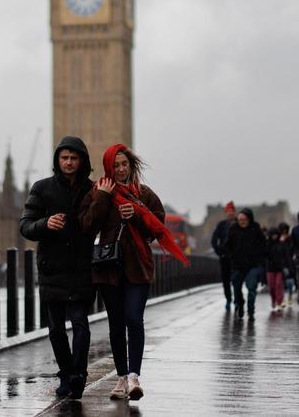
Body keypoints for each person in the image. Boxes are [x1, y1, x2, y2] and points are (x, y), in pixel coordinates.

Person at [80, 144, 188, 402]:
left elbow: (158, 227)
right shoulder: (98, 190)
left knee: (133, 318)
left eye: (124, 164)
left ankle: (133, 376)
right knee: (116, 324)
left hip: (138, 266)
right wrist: (104, 198)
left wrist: (137, 215)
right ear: (109, 167)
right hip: (108, 268)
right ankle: (120, 376)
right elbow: (86, 225)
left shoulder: (144, 193)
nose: (120, 169)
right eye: (115, 165)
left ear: (131, 165)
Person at [19, 136, 95, 400]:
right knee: (56, 330)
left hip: (82, 268)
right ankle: (66, 373)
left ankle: (79, 374)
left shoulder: (92, 190)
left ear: (82, 160)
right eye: (64, 158)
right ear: (57, 160)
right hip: (52, 269)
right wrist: (45, 224)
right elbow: (25, 226)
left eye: (74, 158)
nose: (69, 162)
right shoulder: (42, 188)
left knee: (81, 324)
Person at [225, 209, 268, 318]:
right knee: (236, 288)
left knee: (251, 287)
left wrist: (260, 256)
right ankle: (240, 303)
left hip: (252, 264)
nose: (242, 222)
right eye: (239, 220)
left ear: (249, 219)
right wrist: (231, 255)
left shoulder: (255, 228)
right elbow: (227, 245)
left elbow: (263, 243)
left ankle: (250, 311)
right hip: (237, 265)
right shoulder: (233, 229)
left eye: (244, 220)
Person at [210, 201, 237, 310]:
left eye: (232, 211)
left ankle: (237, 300)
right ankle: (229, 299)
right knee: (226, 280)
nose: (230, 213)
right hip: (224, 257)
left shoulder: (239, 223)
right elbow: (214, 240)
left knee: (236, 280)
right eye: (228, 212)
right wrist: (219, 251)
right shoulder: (221, 225)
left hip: (236, 257)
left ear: (234, 212)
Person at [265, 227, 293, 311]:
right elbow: (264, 255)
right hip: (270, 269)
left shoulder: (282, 244)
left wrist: (289, 266)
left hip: (279, 268)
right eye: (273, 235)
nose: (274, 237)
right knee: (271, 286)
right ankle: (274, 300)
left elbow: (287, 256)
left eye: (276, 235)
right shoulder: (267, 244)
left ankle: (279, 301)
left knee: (278, 285)